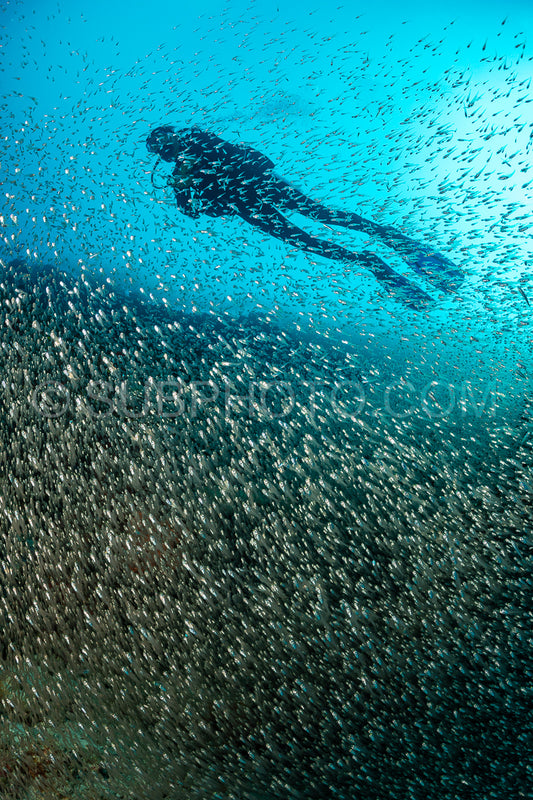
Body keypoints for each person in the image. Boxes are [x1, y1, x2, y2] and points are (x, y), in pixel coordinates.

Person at [146, 125, 464, 310]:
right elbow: (190, 211)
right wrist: (182, 188)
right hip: (247, 206)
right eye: (158, 150)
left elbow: (220, 149)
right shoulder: (179, 176)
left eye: (164, 142)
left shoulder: (197, 139)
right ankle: (370, 262)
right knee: (303, 242)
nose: (164, 150)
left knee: (318, 213)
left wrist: (189, 168)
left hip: (261, 184)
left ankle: (387, 236)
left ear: (173, 135)